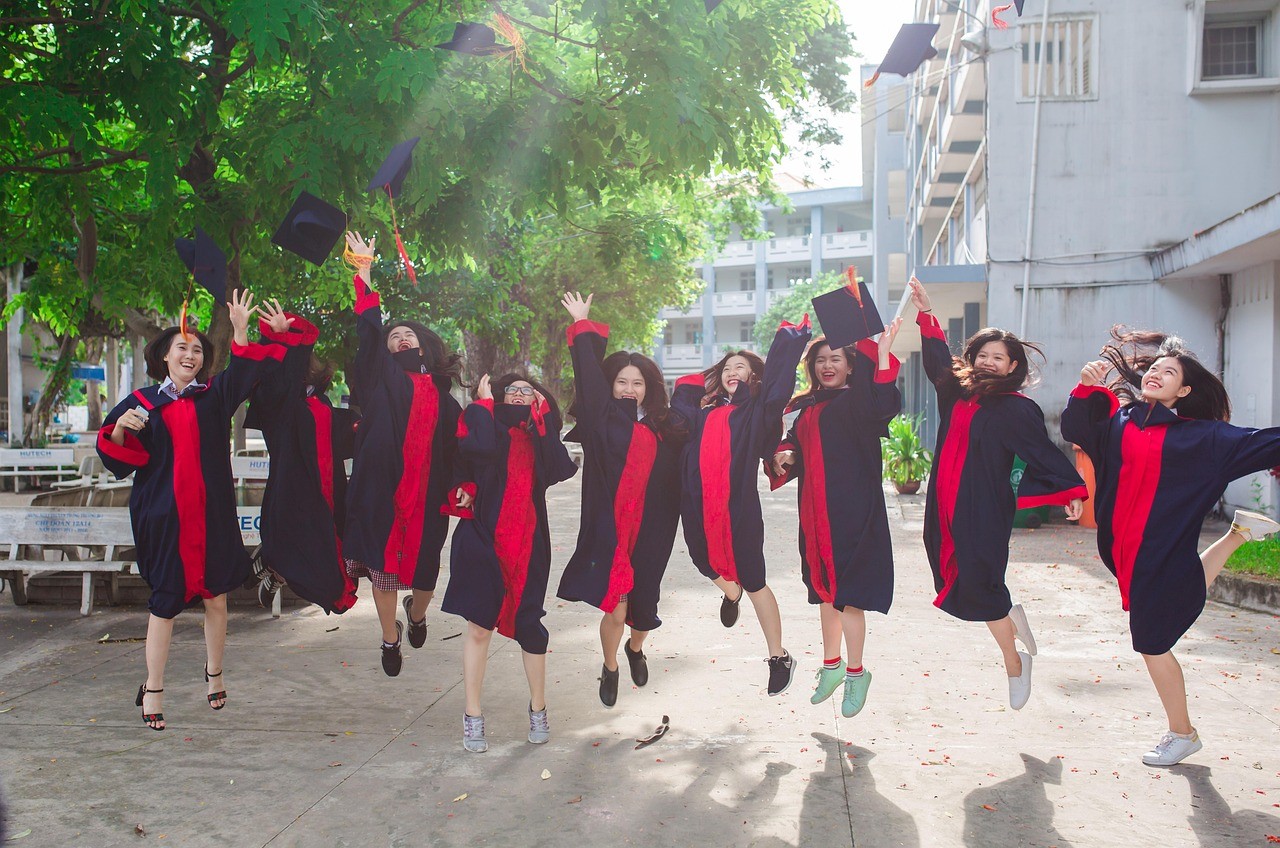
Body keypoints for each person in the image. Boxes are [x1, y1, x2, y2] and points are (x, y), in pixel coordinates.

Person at [1063, 329, 1280, 766]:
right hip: (1127, 553)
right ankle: (1237, 534)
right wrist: (1086, 388)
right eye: (1154, 368)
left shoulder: (1202, 438)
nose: (1156, 374)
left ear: (1183, 391)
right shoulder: (1122, 421)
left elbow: (1263, 442)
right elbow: (1077, 428)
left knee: (1152, 643)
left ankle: (1182, 733)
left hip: (1160, 556)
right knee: (1179, 591)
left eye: (1170, 372)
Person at [97, 290, 286, 730]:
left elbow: (242, 377)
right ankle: (154, 686)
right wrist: (121, 430)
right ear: (164, 356)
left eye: (197, 349)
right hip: (164, 521)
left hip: (212, 518)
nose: (190, 353)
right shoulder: (141, 404)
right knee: (164, 603)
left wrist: (240, 330)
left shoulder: (213, 398)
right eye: (181, 346)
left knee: (216, 597)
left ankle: (214, 672)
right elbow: (117, 461)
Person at [909, 277, 1086, 711]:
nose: (989, 362)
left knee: (980, 583)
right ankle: (1012, 617)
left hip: (983, 507)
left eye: (998, 358)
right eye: (982, 355)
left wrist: (1070, 488)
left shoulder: (1017, 408)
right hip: (945, 506)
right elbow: (936, 362)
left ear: (1012, 367)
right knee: (956, 575)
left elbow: (1040, 451)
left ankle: (1015, 662)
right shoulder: (956, 392)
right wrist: (926, 313)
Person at [555, 292, 689, 707]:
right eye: (621, 381)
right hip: (612, 528)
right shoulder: (601, 421)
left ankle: (635, 647)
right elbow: (588, 379)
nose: (629, 389)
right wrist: (582, 325)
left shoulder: (666, 428)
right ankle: (611, 665)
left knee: (643, 610)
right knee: (615, 607)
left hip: (652, 529)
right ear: (611, 385)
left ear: (649, 389)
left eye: (638, 383)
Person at [341, 232, 463, 677]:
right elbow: (369, 331)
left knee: (425, 574)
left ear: (425, 346)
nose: (400, 337)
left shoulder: (447, 400)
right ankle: (389, 640)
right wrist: (364, 272)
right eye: (394, 337)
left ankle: (416, 613)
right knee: (383, 569)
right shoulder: (380, 380)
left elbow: (461, 450)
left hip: (429, 497)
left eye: (408, 334)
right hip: (383, 491)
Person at [767, 320, 902, 718]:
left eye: (836, 359)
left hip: (852, 508)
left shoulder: (859, 402)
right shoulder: (805, 405)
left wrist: (880, 349)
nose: (828, 365)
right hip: (814, 510)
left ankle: (858, 672)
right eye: (821, 360)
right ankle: (832, 666)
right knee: (823, 590)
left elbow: (883, 398)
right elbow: (791, 441)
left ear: (849, 366)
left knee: (848, 593)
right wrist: (785, 453)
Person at [672, 316, 812, 695]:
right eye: (728, 368)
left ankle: (779, 656)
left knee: (753, 579)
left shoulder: (754, 412)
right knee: (703, 561)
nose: (734, 372)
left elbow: (778, 389)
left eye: (742, 368)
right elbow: (676, 413)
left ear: (753, 378)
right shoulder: (702, 411)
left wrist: (790, 338)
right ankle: (729, 593)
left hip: (739, 509)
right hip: (698, 504)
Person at [441, 373, 578, 752]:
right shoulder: (481, 422)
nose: (518, 395)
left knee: (530, 625)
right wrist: (483, 405)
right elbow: (473, 455)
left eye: (527, 391)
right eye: (511, 390)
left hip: (530, 541)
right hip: (484, 537)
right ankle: (472, 715)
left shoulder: (540, 435)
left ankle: (538, 707)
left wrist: (542, 419)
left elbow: (559, 467)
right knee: (480, 626)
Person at [245, 304, 359, 614]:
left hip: (327, 490)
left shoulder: (318, 399)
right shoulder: (277, 399)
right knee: (321, 572)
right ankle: (275, 566)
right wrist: (280, 338)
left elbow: (336, 435)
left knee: (328, 561)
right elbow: (278, 378)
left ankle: (275, 567)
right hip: (293, 490)